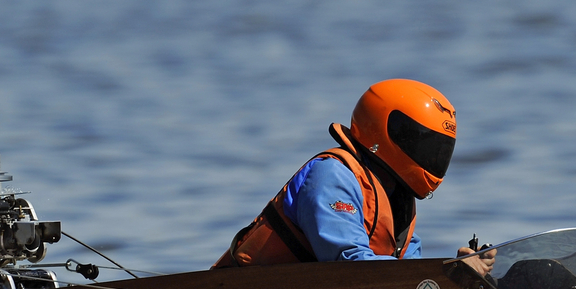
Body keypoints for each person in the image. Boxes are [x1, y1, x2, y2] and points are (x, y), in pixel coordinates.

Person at [211, 79, 495, 274]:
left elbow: (409, 278)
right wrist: (443, 273)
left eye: (441, 149)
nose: (434, 158)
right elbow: (351, 268)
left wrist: (456, 275)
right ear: (389, 132)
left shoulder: (397, 197)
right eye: (427, 145)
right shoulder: (332, 175)